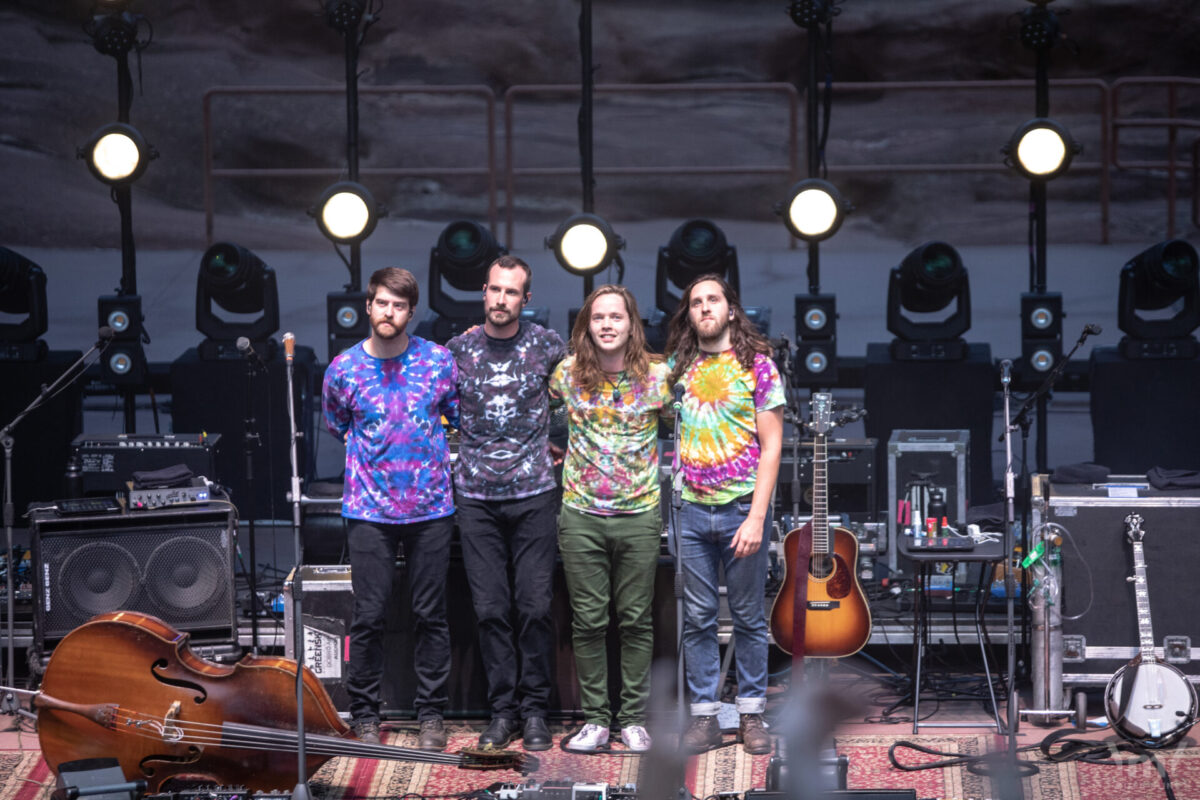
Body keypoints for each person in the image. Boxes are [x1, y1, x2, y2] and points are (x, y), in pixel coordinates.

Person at [321, 266, 459, 751]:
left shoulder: (440, 362)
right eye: (382, 303)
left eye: (399, 306)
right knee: (369, 616)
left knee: (430, 614)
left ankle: (431, 716)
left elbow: (456, 418)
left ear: (411, 312)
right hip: (368, 512)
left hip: (432, 510)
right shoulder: (343, 369)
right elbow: (338, 425)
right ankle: (364, 714)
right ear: (369, 306)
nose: (389, 312)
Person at [447, 255, 567, 752]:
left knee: (535, 607)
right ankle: (503, 712)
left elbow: (572, 400)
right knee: (492, 609)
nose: (501, 300)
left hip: (534, 494)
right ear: (484, 292)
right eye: (495, 290)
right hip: (475, 499)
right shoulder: (457, 350)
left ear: (526, 299)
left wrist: (560, 441)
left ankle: (535, 711)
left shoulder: (547, 345)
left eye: (511, 292)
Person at [549, 285, 673, 753]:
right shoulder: (567, 375)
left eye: (615, 317)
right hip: (580, 515)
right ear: (586, 325)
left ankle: (634, 721)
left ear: (631, 324)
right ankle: (597, 721)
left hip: (638, 514)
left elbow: (681, 425)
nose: (606, 324)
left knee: (637, 620)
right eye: (597, 317)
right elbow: (541, 421)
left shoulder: (660, 376)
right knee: (588, 622)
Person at [665, 273, 784, 755]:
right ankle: (705, 719)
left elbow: (773, 445)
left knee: (750, 618)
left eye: (713, 300)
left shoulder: (758, 366)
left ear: (731, 309)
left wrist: (757, 517)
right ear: (689, 313)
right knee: (698, 618)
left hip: (740, 509)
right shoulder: (679, 366)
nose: (705, 308)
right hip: (690, 511)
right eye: (696, 302)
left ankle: (752, 714)